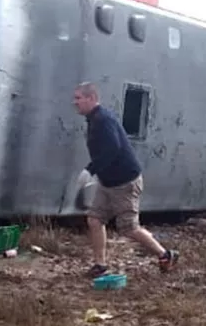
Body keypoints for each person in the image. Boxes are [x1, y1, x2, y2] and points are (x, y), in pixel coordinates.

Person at [72, 81, 178, 278]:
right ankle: (100, 265)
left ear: (92, 98)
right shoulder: (93, 119)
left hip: (125, 182)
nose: (75, 102)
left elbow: (113, 149)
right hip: (108, 181)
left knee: (129, 228)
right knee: (95, 219)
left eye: (78, 98)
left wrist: (90, 170)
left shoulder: (103, 120)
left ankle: (165, 254)